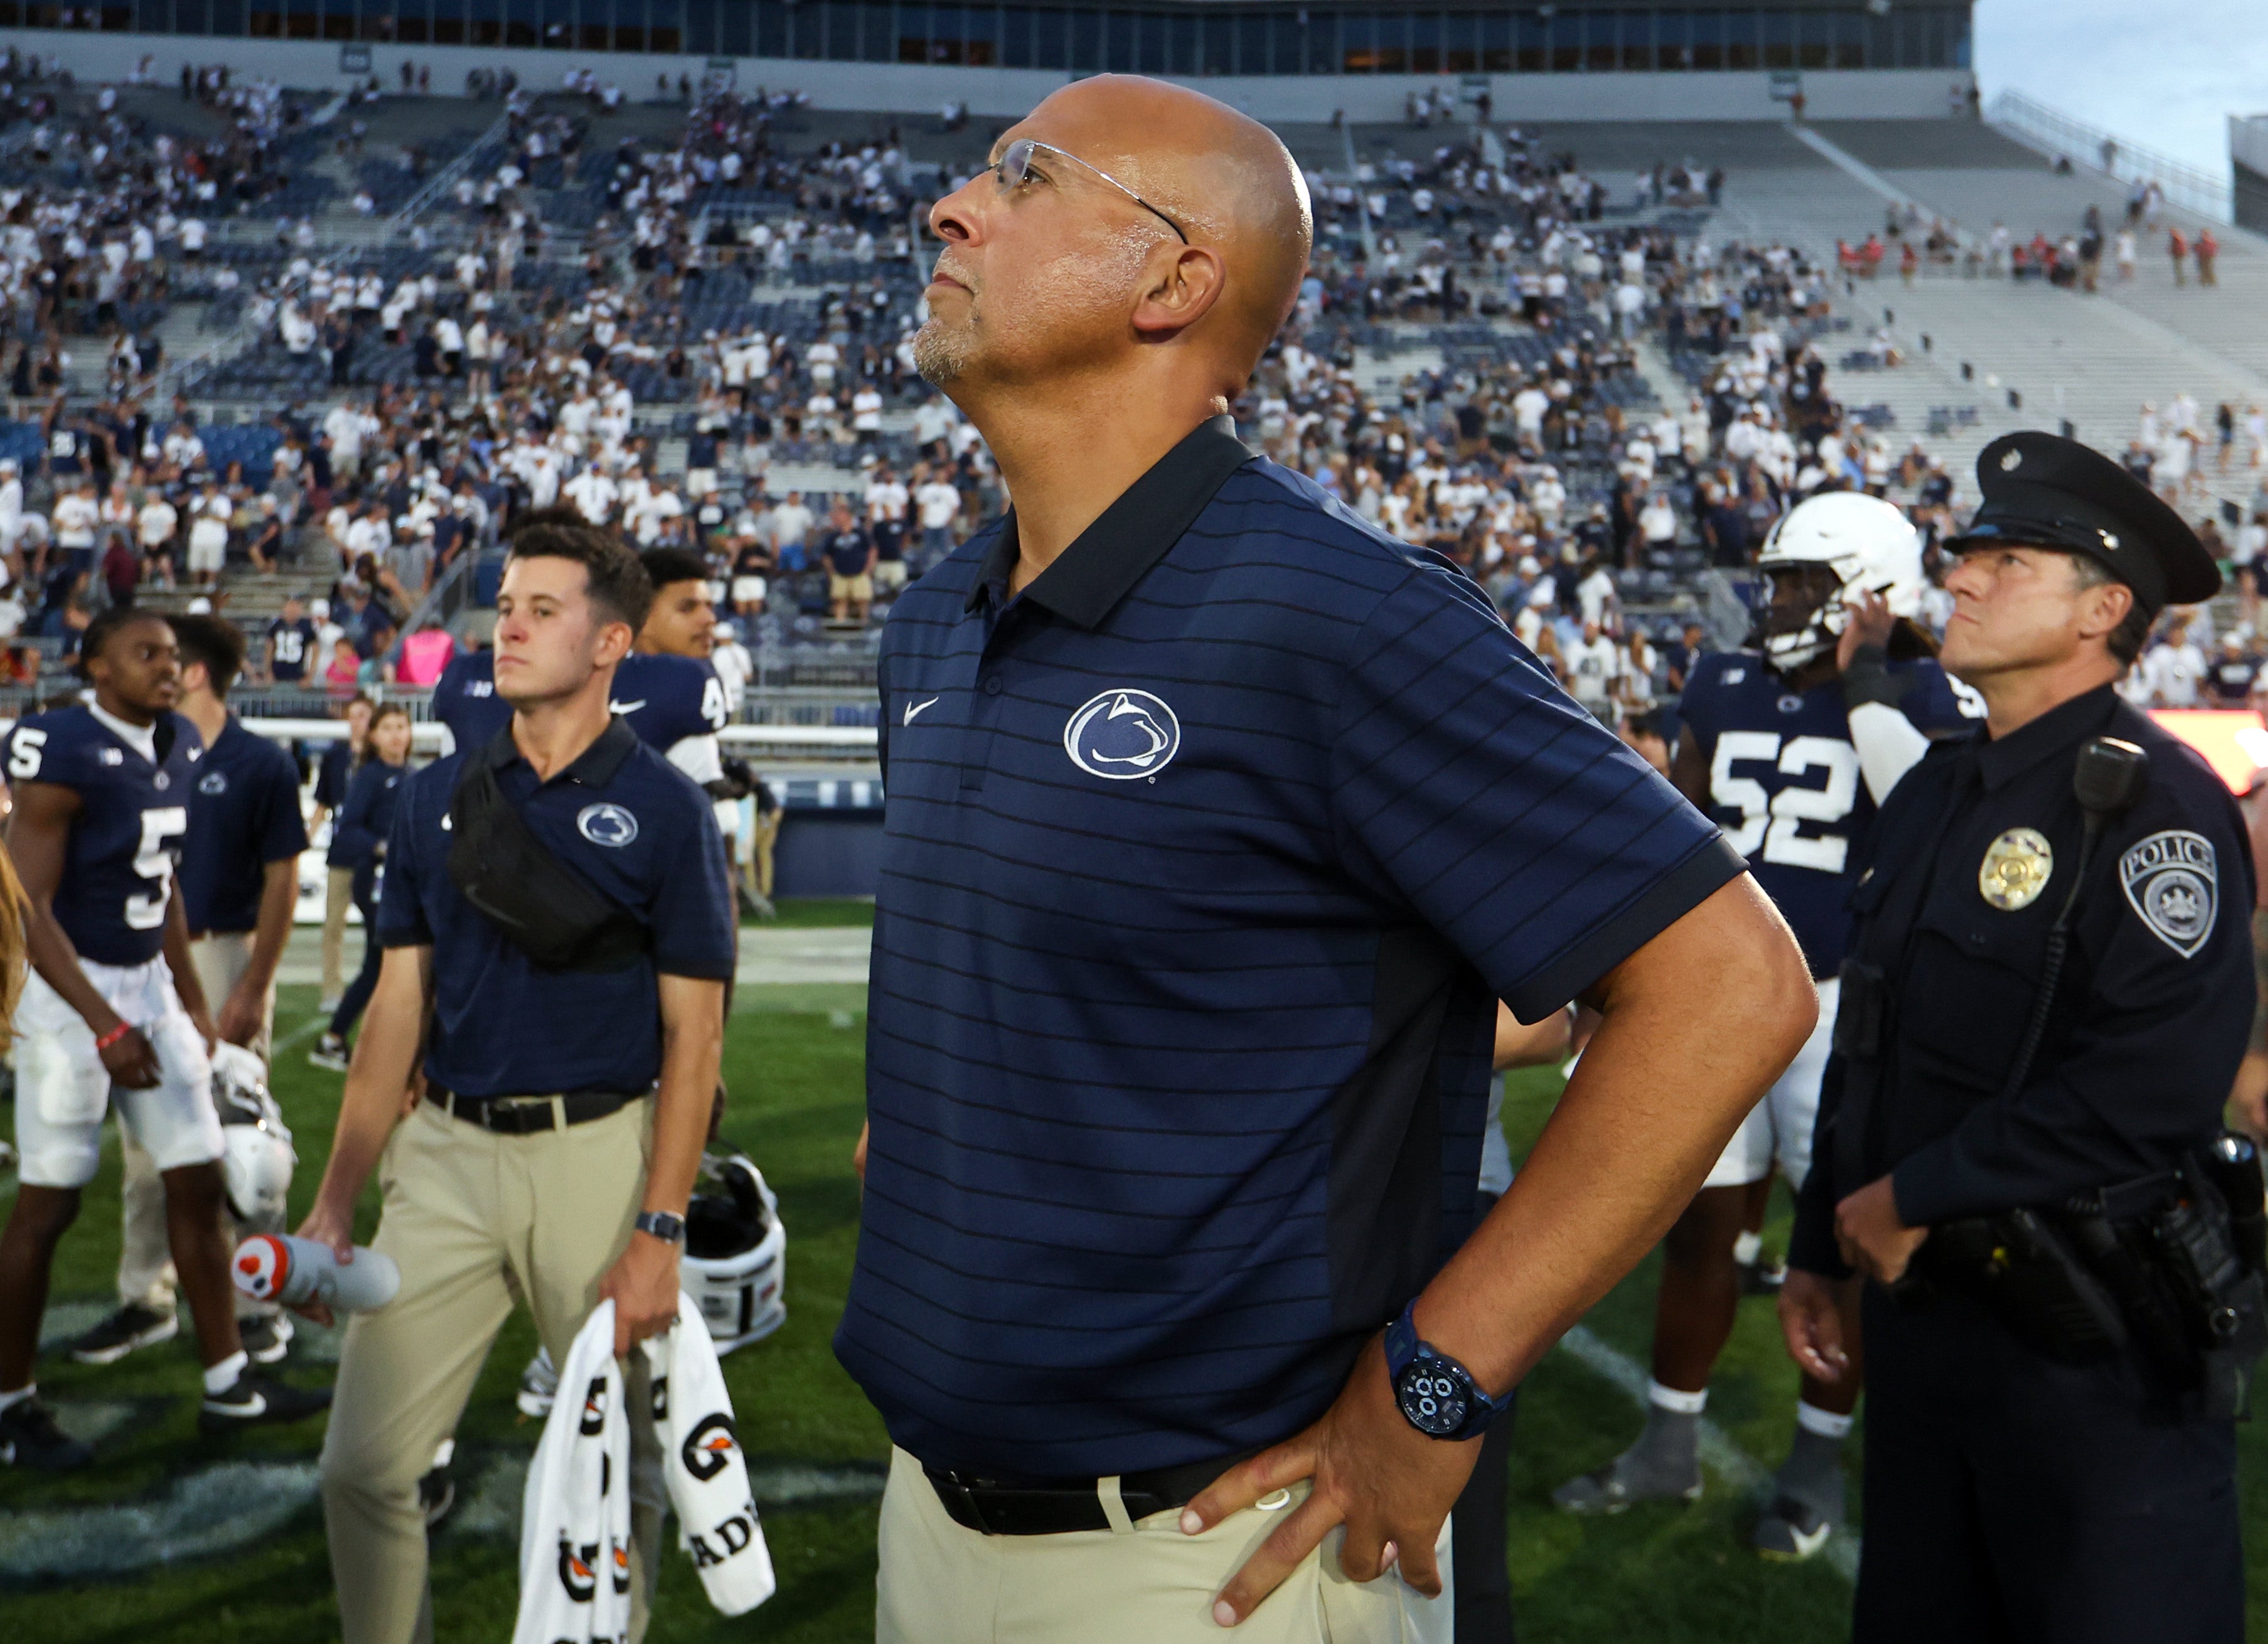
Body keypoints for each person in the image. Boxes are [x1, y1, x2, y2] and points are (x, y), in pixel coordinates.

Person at [843, 74, 1816, 1643]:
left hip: (1209, 1556)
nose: (952, 207)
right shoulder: (938, 614)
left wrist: (1435, 1381)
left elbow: (1725, 985)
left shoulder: (1340, 612)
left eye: (1024, 175)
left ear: (1174, 280)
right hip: (933, 1507)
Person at [1781, 432, 2255, 1641]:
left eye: (2007, 561)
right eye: (1966, 555)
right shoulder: (1940, 786)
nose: (1962, 578)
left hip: (2087, 1351)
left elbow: (2155, 1080)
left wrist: (1912, 1195)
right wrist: (1818, 1243)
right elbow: (1869, 1039)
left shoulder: (2155, 803)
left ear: (2103, 609)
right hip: (1924, 1328)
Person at [302, 518, 734, 1644]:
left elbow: (695, 1038)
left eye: (543, 609)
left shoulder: (666, 809)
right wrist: (338, 1198)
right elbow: (397, 1005)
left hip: (599, 1154)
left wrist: (659, 1225)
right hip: (440, 1157)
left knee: (623, 1479)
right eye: (504, 604)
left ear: (608, 646)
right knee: (360, 1467)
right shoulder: (428, 793)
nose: (509, 625)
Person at [1551, 494, 1984, 1562]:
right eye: (1780, 580)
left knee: (1833, 1244)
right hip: (1718, 996)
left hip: (1844, 1004)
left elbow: (1927, 826)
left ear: (1869, 596)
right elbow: (1679, 825)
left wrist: (1877, 677)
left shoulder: (1924, 695)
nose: (1781, 600)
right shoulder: (1720, 679)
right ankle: (1666, 1444)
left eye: (1806, 584)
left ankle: (1813, 1461)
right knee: (1701, 1228)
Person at [0, 609, 328, 1470]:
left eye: (175, 655)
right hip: (67, 995)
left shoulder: (180, 743)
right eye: (146, 653)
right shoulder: (58, 748)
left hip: (144, 983)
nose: (169, 667)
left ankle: (230, 1382)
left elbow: (164, 884)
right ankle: (10, 1400)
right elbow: (27, 909)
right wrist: (104, 1025)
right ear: (96, 668)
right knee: (51, 1202)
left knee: (200, 1179)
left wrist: (189, 1006)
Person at [67, 614, 309, 1369]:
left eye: (166, 658)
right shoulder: (142, 753)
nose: (158, 672)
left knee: (245, 1139)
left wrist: (256, 984)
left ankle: (255, 1302)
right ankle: (147, 1295)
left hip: (223, 955)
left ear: (193, 672)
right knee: (146, 1147)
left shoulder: (257, 762)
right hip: (146, 961)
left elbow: (284, 879)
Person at [308, 703, 411, 1071]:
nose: (398, 734)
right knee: (379, 962)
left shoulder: (412, 775)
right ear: (374, 736)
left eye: (402, 726)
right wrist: (382, 846)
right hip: (375, 880)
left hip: (401, 881)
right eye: (388, 728)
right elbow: (349, 826)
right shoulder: (370, 776)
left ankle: (356, 1040)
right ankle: (333, 1038)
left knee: (388, 964)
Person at [314, 695, 373, 1011]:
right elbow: (323, 803)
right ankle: (332, 990)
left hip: (373, 857)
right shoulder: (335, 757)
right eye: (353, 715)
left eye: (363, 715)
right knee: (333, 925)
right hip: (340, 853)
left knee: (378, 928)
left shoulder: (379, 760)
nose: (357, 722)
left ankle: (374, 985)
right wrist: (304, 840)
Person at [820, 499, 877, 623]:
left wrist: (869, 569)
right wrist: (831, 572)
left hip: (859, 573)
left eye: (840, 515)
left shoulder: (860, 533)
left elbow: (872, 550)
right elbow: (827, 555)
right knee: (840, 600)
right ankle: (840, 623)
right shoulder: (834, 536)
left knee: (862, 601)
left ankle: (864, 623)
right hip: (840, 574)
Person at [265, 593, 320, 688]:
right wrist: (268, 672)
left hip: (298, 675)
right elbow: (269, 649)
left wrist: (309, 676)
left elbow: (316, 651)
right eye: (290, 605)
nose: (292, 609)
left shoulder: (307, 626)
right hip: (277, 675)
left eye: (296, 605)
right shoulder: (277, 625)